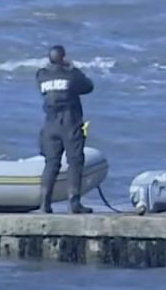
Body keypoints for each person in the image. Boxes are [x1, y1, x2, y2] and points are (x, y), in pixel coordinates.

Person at [36, 44, 94, 214]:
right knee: (75, 162)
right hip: (70, 123)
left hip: (50, 124)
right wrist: (72, 67)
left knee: (51, 164)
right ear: (63, 57)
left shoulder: (41, 76)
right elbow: (88, 86)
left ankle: (44, 204)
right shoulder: (71, 75)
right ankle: (74, 203)